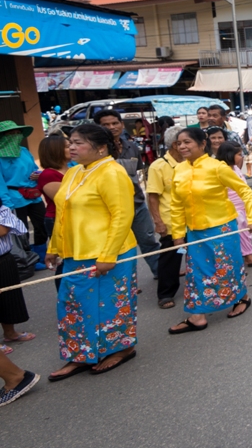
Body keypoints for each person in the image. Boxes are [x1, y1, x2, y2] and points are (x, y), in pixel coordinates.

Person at [44, 124, 139, 379]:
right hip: (76, 253)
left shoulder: (112, 172)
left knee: (109, 304)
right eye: (70, 143)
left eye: (78, 143)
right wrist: (54, 247)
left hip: (110, 252)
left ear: (100, 148)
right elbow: (62, 214)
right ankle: (81, 354)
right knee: (73, 304)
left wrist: (108, 255)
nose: (71, 147)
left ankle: (122, 348)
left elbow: (122, 215)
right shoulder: (73, 174)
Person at [167, 127, 252, 334]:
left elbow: (244, 190)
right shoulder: (179, 170)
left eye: (187, 142)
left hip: (221, 228)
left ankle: (242, 297)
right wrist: (177, 235)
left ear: (202, 144)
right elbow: (176, 205)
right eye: (179, 143)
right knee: (196, 272)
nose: (182, 146)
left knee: (227, 267)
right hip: (194, 231)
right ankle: (197, 316)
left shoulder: (217, 167)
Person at [95, 110, 163, 278]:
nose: (112, 127)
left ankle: (161, 276)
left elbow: (137, 174)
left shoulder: (131, 146)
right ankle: (123, 282)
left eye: (115, 123)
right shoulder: (96, 151)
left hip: (137, 204)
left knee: (149, 241)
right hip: (110, 210)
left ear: (122, 124)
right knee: (117, 247)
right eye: (106, 125)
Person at [146, 125, 185, 309]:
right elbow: (152, 196)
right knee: (170, 257)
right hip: (171, 221)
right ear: (175, 145)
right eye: (184, 142)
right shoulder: (158, 166)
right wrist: (158, 222)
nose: (187, 146)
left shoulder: (191, 163)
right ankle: (165, 294)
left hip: (194, 218)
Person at [216, 142, 252, 270]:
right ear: (229, 155)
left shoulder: (235, 168)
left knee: (246, 233)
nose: (242, 157)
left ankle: (245, 257)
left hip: (242, 206)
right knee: (239, 235)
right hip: (233, 209)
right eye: (239, 154)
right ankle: (245, 259)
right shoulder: (223, 170)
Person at [0, 121, 46, 253]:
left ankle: (41, 254)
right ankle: (27, 257)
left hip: (33, 194)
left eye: (17, 133)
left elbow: (34, 169)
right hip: (14, 197)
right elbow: (0, 184)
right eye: (11, 134)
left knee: (41, 223)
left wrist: (38, 175)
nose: (16, 136)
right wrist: (7, 204)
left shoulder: (24, 151)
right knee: (21, 229)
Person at [0, 204, 29, 354]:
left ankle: (10, 333)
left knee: (9, 298)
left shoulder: (2, 209)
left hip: (3, 259)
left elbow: (2, 230)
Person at [35, 134, 70, 243]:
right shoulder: (49, 174)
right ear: (56, 151)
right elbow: (67, 199)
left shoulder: (73, 169)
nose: (73, 148)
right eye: (68, 146)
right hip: (58, 218)